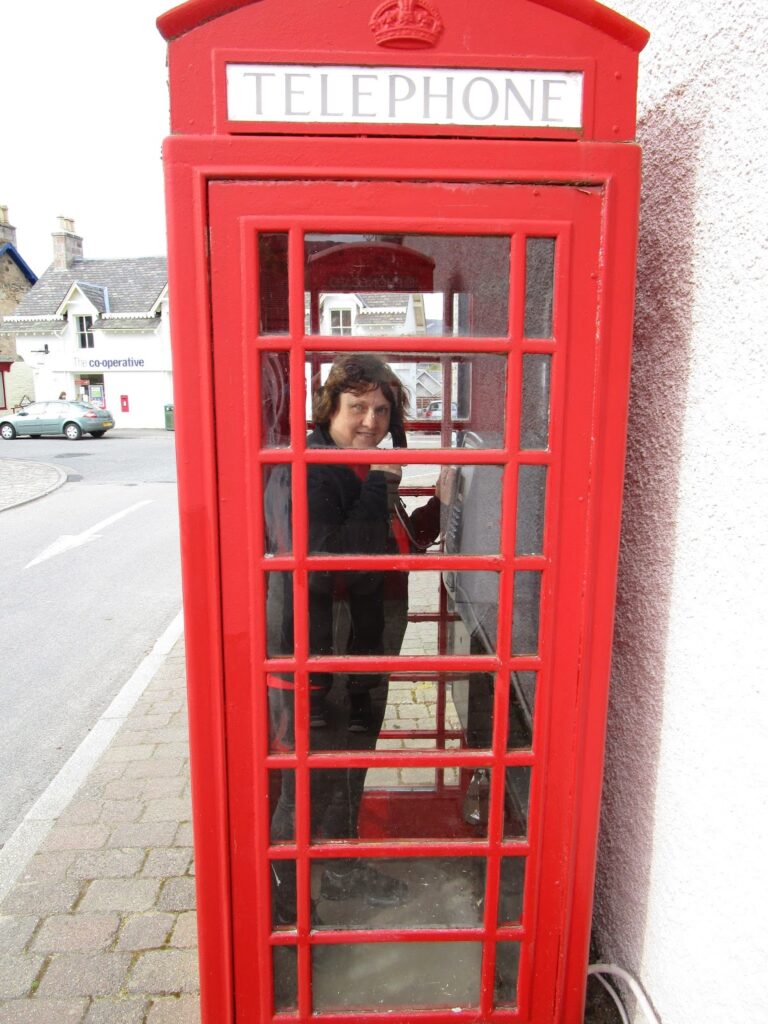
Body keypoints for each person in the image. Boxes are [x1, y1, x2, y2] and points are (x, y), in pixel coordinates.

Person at [265, 354, 452, 922]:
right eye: (358, 407)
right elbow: (329, 561)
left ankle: (341, 868)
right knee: (311, 780)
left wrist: (437, 505)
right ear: (330, 409)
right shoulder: (311, 470)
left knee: (349, 767)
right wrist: (381, 484)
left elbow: (392, 543)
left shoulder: (357, 467)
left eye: (382, 410)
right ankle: (287, 908)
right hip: (320, 657)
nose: (371, 421)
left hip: (359, 652)